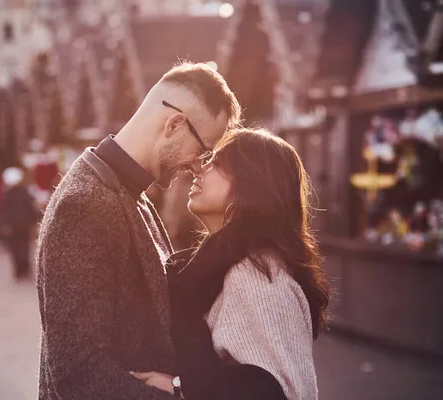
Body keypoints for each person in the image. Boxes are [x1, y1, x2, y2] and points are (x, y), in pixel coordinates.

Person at [36, 62, 241, 399]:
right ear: (174, 124)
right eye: (203, 151)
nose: (197, 167)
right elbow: (79, 376)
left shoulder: (128, 194)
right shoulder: (85, 203)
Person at [132, 128, 329, 399]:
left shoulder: (258, 274)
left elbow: (273, 393)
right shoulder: (223, 269)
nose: (199, 169)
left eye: (217, 164)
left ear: (252, 184)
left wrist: (177, 387)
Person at [0, 167, 38, 280]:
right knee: (24, 247)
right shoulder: (25, 192)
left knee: (15, 247)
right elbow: (31, 208)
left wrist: (6, 224)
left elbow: (4, 211)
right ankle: (24, 269)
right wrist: (33, 221)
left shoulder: (7, 194)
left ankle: (19, 270)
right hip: (25, 224)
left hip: (13, 225)